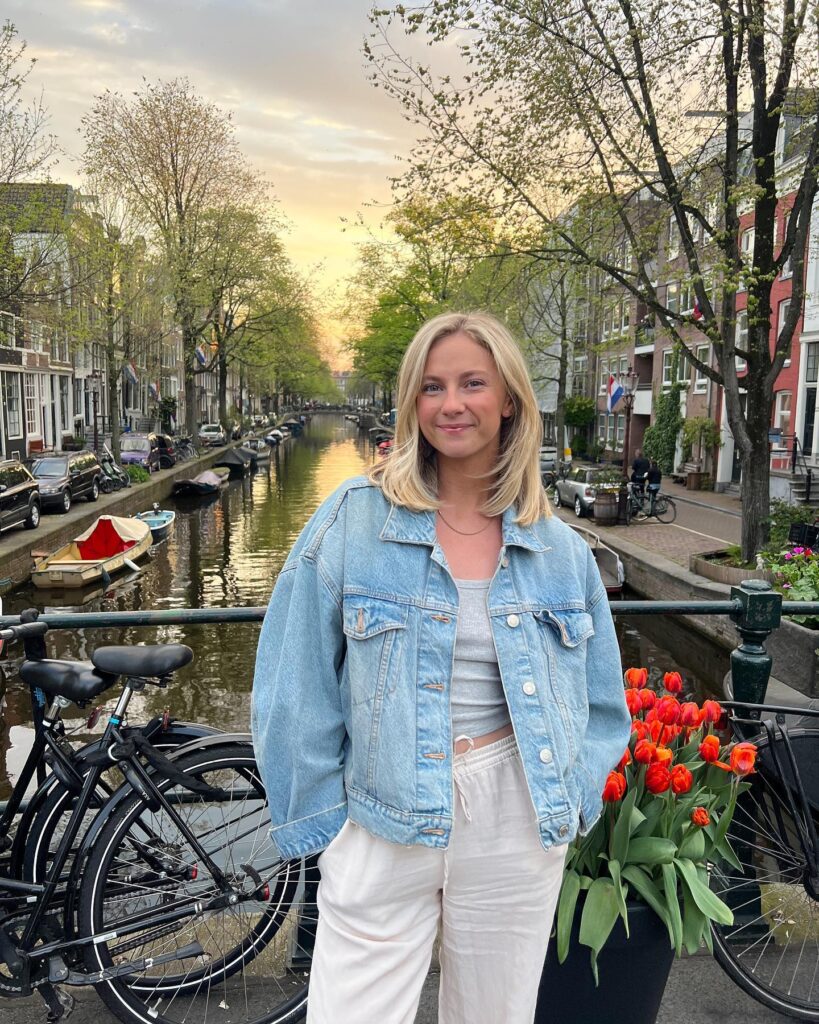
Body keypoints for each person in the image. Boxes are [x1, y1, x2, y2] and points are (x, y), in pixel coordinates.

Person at [251, 311, 631, 1024]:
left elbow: (600, 698)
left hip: (514, 817)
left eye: (471, 383)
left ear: (509, 400)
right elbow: (289, 682)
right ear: (411, 402)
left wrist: (575, 793)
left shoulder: (558, 550)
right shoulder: (352, 521)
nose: (450, 403)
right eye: (431, 386)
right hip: (380, 812)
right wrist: (329, 830)